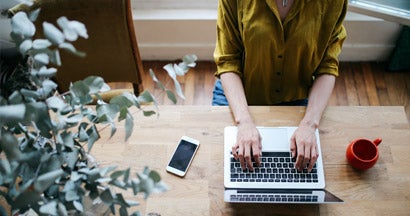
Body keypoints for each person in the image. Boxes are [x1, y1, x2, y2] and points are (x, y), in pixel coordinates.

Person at [212, 0, 347, 173]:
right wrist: (244, 122)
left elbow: (328, 66)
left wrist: (309, 125)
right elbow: (228, 61)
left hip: (296, 98)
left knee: (298, 177)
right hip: (239, 95)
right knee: (221, 169)